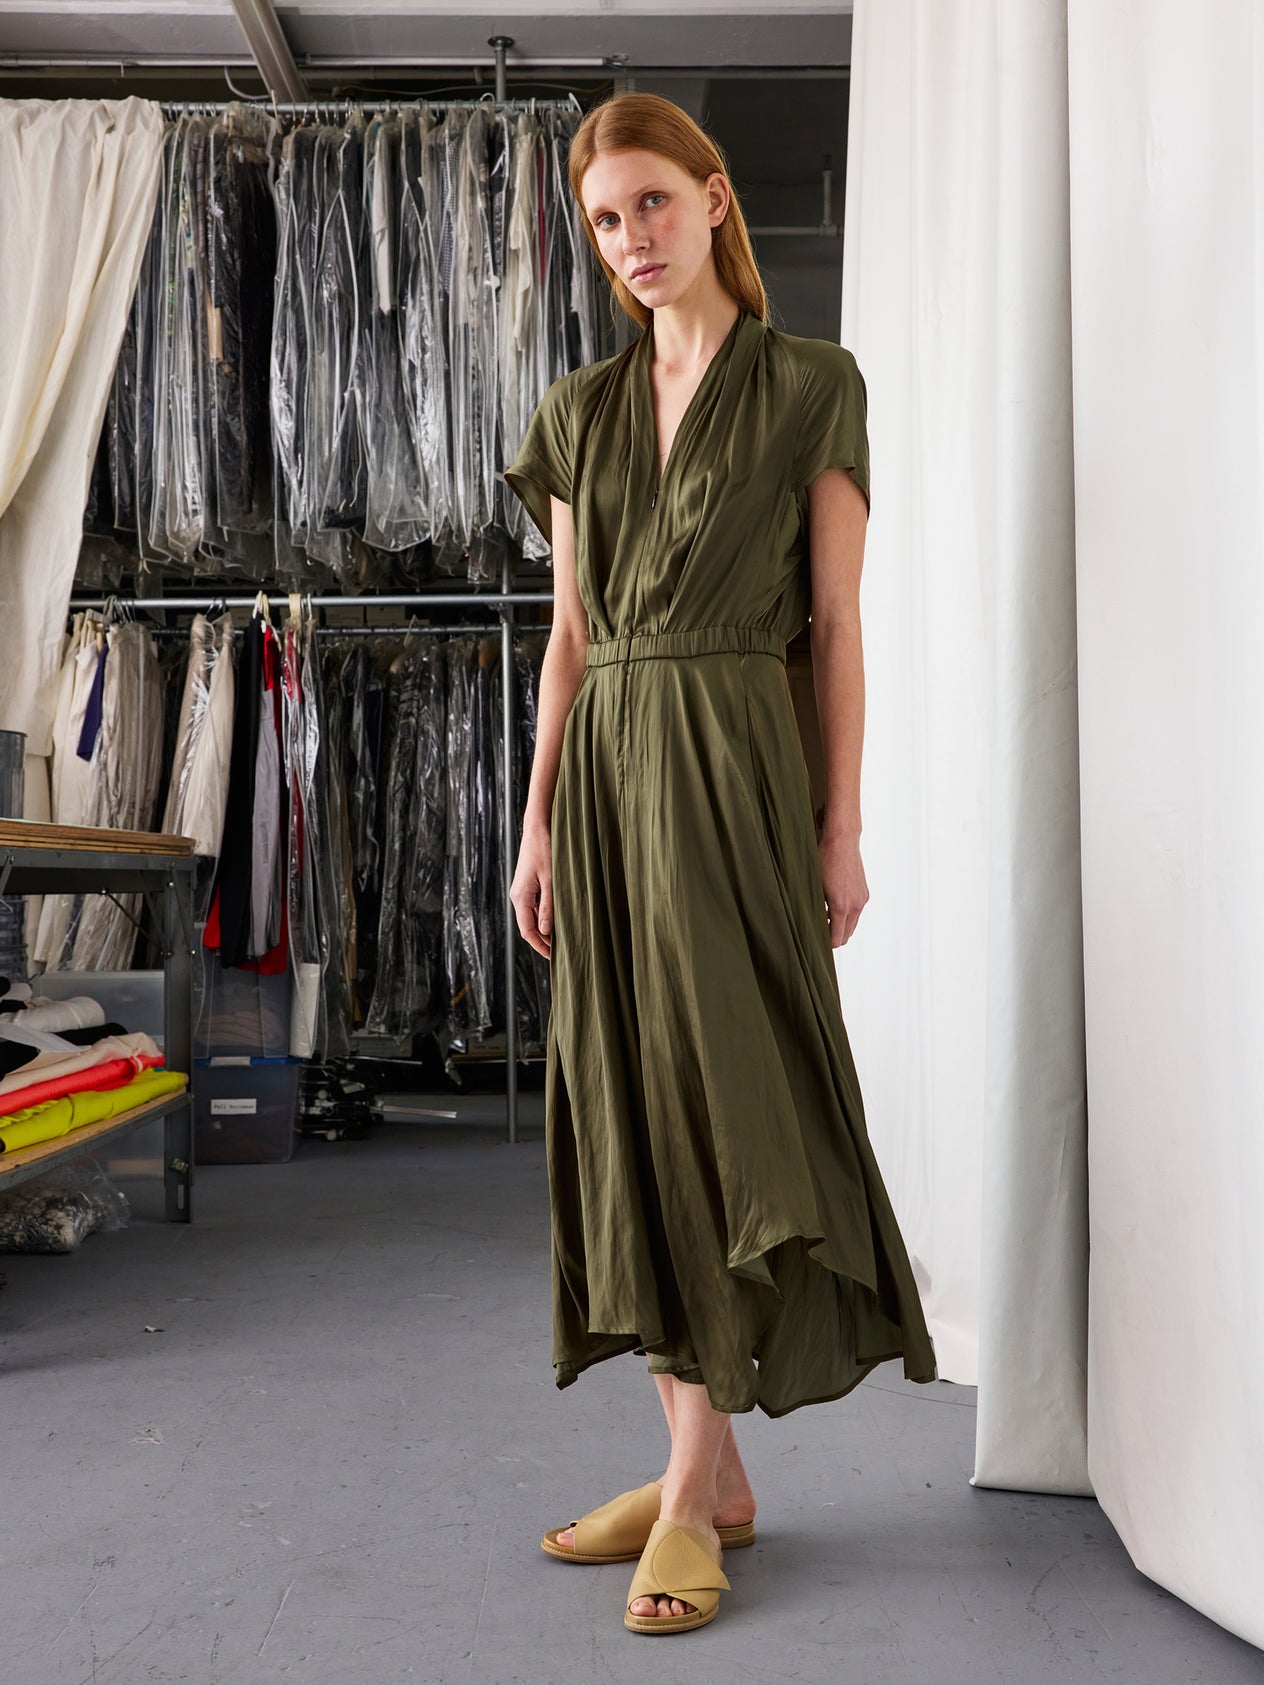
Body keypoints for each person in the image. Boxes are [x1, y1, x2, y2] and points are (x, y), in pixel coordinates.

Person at [503, 91, 937, 1638]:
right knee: (629, 1106)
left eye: (652, 204)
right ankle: (710, 1476)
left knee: (727, 1108)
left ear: (714, 198)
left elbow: (840, 623)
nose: (631, 239)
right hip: (609, 779)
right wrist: (537, 819)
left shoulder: (813, 386)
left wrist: (841, 822)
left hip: (737, 774)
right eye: (605, 219)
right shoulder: (577, 413)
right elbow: (569, 637)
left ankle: (691, 1491)